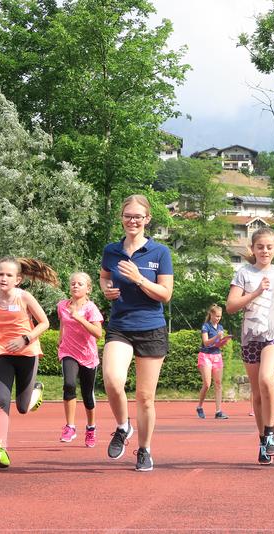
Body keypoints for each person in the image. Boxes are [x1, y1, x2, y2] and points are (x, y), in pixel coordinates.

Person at [100, 194, 174, 472]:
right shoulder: (111, 250)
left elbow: (165, 295)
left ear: (147, 220)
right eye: (128, 216)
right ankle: (122, 425)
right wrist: (106, 290)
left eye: (137, 217)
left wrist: (139, 279)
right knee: (112, 379)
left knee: (145, 397)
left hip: (151, 328)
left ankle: (144, 449)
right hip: (121, 326)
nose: (132, 221)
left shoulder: (160, 253)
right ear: (122, 218)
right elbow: (105, 275)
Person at [226, 227, 274, 465]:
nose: (265, 250)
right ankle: (263, 440)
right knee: (256, 393)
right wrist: (256, 292)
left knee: (267, 378)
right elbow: (231, 306)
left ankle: (271, 432)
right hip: (251, 337)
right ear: (252, 249)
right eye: (260, 247)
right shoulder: (243, 273)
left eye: (269, 247)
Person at [0, 257, 57, 468]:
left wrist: (25, 339)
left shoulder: (24, 297)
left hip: (27, 354)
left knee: (23, 407)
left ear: (18, 279)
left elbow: (45, 323)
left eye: (8, 275)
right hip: (3, 355)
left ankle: (36, 389)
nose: (4, 278)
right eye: (0, 274)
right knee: (2, 401)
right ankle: (0, 449)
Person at [57, 272, 104, 447]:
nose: (75, 286)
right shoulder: (62, 306)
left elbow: (98, 334)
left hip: (88, 356)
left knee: (87, 395)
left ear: (88, 288)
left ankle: (91, 428)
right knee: (69, 385)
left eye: (80, 284)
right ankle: (70, 426)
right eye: (73, 283)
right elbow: (63, 323)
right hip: (68, 352)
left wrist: (79, 318)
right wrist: (60, 341)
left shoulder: (91, 308)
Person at [196, 304, 231, 420]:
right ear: (211, 314)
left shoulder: (220, 327)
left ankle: (218, 411)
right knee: (207, 384)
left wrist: (223, 341)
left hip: (217, 356)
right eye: (216, 316)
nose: (218, 318)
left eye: (220, 316)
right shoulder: (205, 326)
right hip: (205, 355)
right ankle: (200, 406)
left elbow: (218, 344)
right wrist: (216, 337)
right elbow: (206, 342)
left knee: (218, 384)